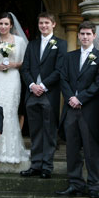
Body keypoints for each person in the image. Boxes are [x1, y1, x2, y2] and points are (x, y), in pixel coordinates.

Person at [56, 21, 99, 198]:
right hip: (71, 109)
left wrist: (81, 98)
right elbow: (63, 79)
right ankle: (75, 184)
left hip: (89, 110)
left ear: (94, 36)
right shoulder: (69, 57)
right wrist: (71, 98)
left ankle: (93, 186)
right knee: (71, 149)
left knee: (90, 149)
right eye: (82, 34)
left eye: (88, 34)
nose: (85, 37)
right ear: (78, 35)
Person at [19, 12, 67, 179]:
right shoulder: (32, 44)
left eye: (47, 23)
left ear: (53, 24)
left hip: (49, 94)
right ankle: (36, 165)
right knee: (35, 131)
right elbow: (25, 68)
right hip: (32, 94)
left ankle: (47, 166)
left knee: (49, 131)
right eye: (41, 23)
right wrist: (32, 85)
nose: (44, 26)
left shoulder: (61, 44)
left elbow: (60, 70)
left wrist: (43, 86)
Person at [0, 12, 29, 163]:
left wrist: (13, 64)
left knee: (10, 112)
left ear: (11, 25)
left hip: (12, 78)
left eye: (6, 24)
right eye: (1, 24)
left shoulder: (19, 41)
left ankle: (10, 150)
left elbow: (25, 62)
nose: (3, 26)